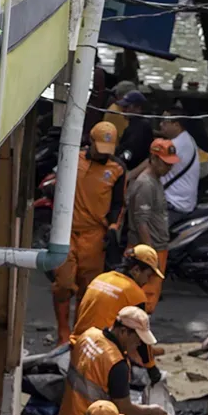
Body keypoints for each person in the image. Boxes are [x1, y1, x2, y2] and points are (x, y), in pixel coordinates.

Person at [52, 121, 128, 344]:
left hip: (95, 236)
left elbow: (118, 204)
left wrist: (114, 226)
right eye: (99, 149)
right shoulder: (72, 158)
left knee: (88, 291)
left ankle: (80, 334)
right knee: (64, 284)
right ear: (90, 142)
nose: (103, 155)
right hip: (67, 232)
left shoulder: (117, 169)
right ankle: (63, 333)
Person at [58, 306, 167, 415]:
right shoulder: (116, 364)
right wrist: (149, 411)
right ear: (123, 332)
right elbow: (124, 408)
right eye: (138, 339)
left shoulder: (89, 335)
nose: (139, 344)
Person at [126, 140, 177, 311]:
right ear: (153, 158)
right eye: (165, 163)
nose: (168, 168)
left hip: (156, 248)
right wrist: (149, 254)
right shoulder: (146, 184)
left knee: (150, 295)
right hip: (149, 248)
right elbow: (141, 221)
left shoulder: (155, 180)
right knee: (143, 298)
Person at [73, 245, 161, 336]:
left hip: (78, 342)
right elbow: (139, 338)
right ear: (136, 270)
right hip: (101, 346)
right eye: (148, 276)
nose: (146, 281)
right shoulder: (136, 294)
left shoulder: (101, 277)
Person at [157, 108, 201, 216]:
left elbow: (151, 165)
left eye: (165, 122)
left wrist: (129, 176)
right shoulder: (187, 138)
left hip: (175, 204)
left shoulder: (176, 145)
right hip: (183, 202)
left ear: (176, 125)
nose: (160, 124)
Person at [112, 91, 154, 171]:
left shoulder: (141, 128)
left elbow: (130, 152)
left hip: (132, 171)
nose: (123, 109)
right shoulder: (134, 124)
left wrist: (118, 161)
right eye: (123, 106)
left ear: (138, 108)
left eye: (127, 107)